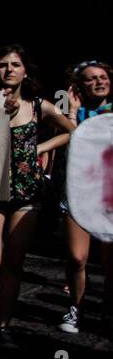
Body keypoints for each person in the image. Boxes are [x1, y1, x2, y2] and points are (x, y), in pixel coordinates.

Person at [0, 46, 74, 349]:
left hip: (26, 191)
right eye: (2, 65)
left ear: (26, 71)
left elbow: (70, 130)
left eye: (15, 64)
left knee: (14, 262)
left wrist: (40, 148)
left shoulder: (39, 107)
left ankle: (3, 325)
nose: (9, 70)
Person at [57, 59, 113, 334]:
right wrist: (72, 112)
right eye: (92, 79)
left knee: (109, 259)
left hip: (108, 197)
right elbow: (72, 142)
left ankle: (106, 306)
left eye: (103, 77)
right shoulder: (71, 115)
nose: (100, 82)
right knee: (77, 257)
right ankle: (75, 307)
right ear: (79, 86)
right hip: (78, 193)